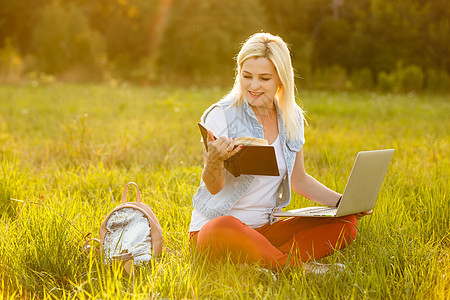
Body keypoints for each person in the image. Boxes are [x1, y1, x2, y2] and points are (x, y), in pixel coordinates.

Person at [189, 32, 371, 273]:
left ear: (280, 80)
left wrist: (345, 203)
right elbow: (213, 188)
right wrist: (212, 161)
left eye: (264, 78)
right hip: (218, 231)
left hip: (266, 231)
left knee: (347, 224)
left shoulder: (291, 118)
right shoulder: (220, 114)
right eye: (247, 76)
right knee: (222, 227)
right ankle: (297, 267)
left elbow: (300, 180)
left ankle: (264, 261)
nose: (253, 86)